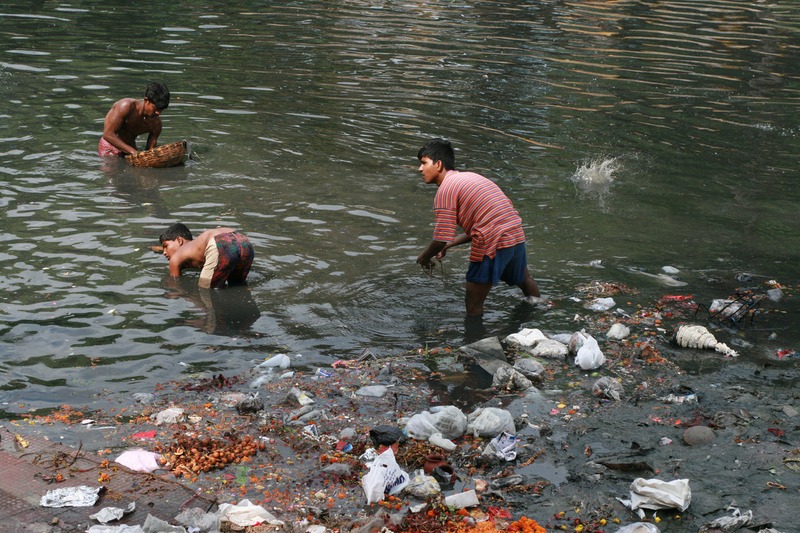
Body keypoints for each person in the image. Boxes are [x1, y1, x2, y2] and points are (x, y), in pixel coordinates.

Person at [415, 139, 541, 316]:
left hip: (492, 240)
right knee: (524, 279)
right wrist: (448, 245)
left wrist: (424, 257)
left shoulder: (445, 190)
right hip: (514, 232)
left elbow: (440, 238)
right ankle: (536, 317)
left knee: (473, 303)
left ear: (438, 164)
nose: (420, 169)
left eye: (423, 163)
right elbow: (482, 224)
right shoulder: (470, 177)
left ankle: (474, 340)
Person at [159, 223, 254, 289]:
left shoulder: (176, 258)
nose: (164, 252)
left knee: (206, 291)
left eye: (165, 246)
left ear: (179, 240)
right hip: (244, 241)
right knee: (237, 286)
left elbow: (176, 285)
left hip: (221, 242)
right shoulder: (196, 246)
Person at [98, 82, 171, 157]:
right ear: (146, 100)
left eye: (161, 109)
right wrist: (134, 152)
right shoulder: (126, 106)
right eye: (155, 108)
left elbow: (150, 152)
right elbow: (108, 134)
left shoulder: (156, 125)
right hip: (110, 146)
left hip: (130, 148)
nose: (158, 113)